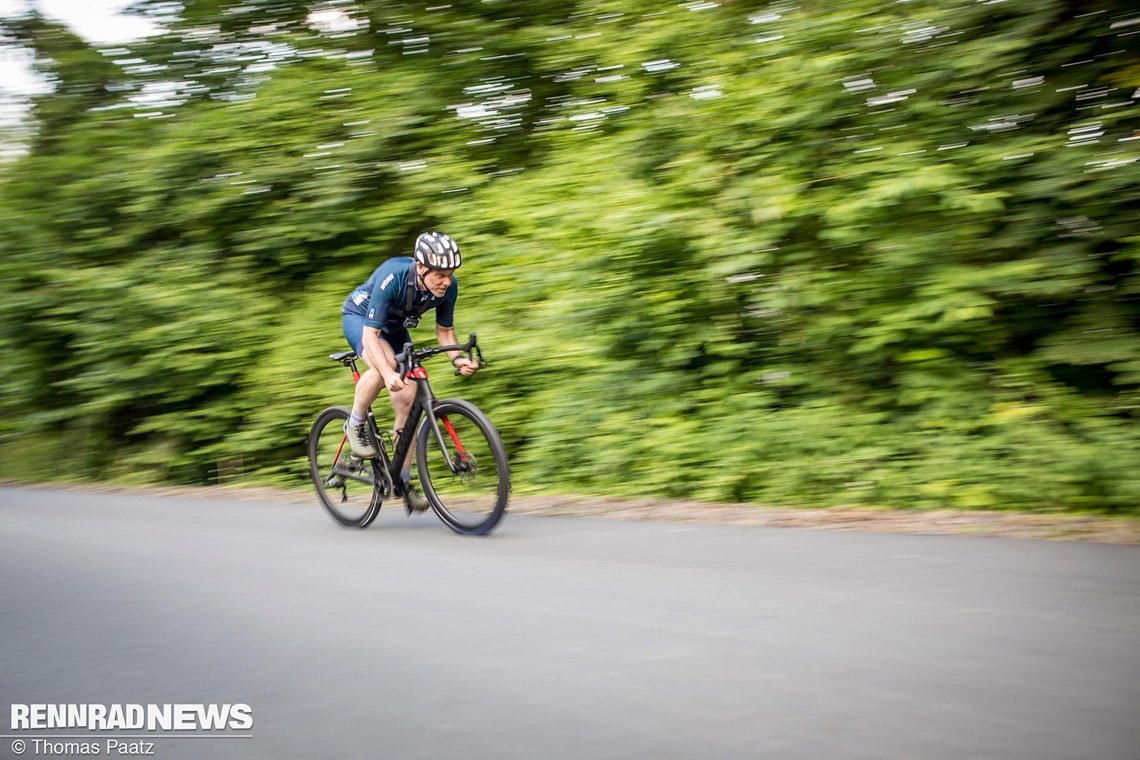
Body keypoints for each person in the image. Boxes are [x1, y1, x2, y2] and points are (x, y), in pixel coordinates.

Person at [340, 231, 478, 511]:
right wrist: (389, 372)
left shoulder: (448, 288)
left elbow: (445, 331)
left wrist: (457, 359)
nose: (446, 281)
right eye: (440, 274)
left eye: (450, 273)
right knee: (384, 367)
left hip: (395, 328)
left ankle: (401, 480)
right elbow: (370, 336)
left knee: (408, 400)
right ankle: (354, 423)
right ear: (421, 267)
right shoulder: (393, 276)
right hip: (361, 320)